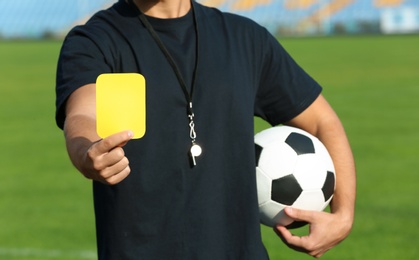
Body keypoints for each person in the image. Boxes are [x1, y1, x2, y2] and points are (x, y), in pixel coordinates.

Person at [55, 0, 356, 259]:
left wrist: (343, 214)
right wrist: (86, 152)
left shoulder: (245, 39)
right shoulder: (95, 41)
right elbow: (82, 114)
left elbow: (322, 121)